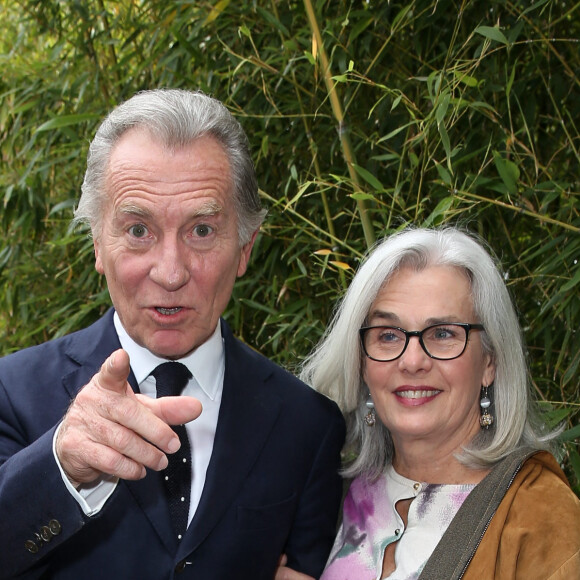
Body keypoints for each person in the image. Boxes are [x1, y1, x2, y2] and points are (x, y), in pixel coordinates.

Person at [0, 89, 345, 579]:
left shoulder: (308, 425)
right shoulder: (12, 391)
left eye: (201, 231)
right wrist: (64, 465)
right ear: (99, 244)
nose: (170, 272)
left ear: (245, 249)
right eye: (138, 230)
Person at [276, 227, 580, 580]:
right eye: (388, 335)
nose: (413, 361)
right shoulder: (324, 496)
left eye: (443, 333)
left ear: (489, 361)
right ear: (360, 361)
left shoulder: (540, 517)